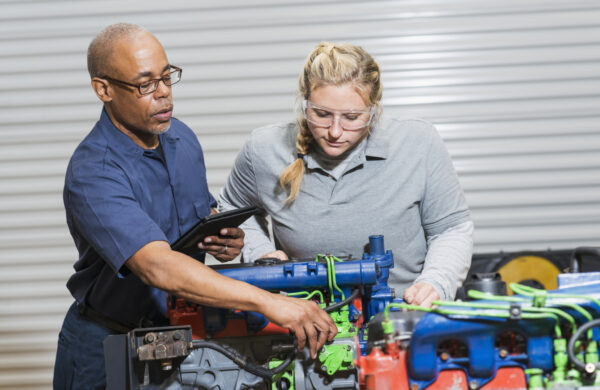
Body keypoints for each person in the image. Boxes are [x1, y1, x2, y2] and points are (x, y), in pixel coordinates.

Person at [53, 24, 336, 389]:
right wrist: (269, 303)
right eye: (145, 85)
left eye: (167, 76)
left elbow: (196, 220)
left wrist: (225, 238)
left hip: (177, 336)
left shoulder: (181, 138)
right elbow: (157, 266)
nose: (164, 94)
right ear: (103, 89)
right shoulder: (93, 172)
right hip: (107, 344)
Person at [220, 42, 474, 308]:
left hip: (402, 314)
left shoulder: (418, 143)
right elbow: (232, 208)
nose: (335, 131)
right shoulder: (264, 148)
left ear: (374, 110)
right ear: (304, 103)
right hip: (304, 317)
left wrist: (435, 282)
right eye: (321, 114)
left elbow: (451, 229)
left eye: (352, 117)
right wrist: (263, 258)